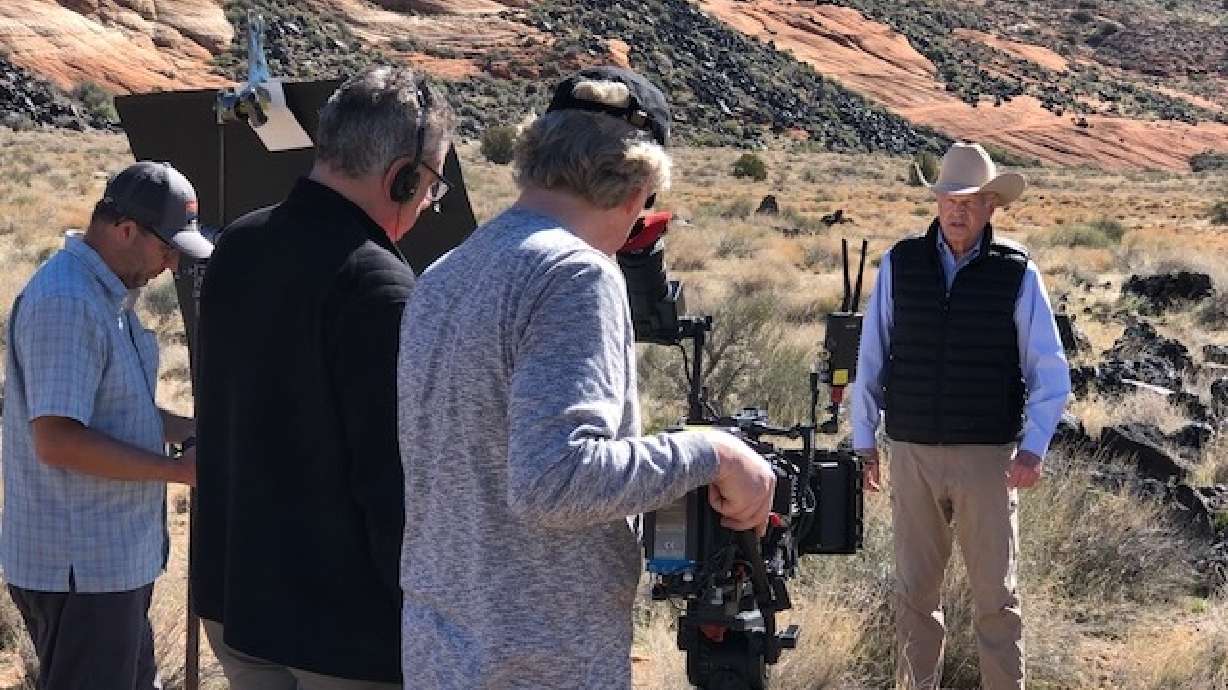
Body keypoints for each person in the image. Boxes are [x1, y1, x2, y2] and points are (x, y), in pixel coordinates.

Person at [396, 66, 778, 689]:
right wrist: (715, 453)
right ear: (639, 189)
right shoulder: (575, 274)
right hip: (539, 661)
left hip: (445, 652)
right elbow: (556, 482)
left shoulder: (445, 273)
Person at [190, 65, 454, 689]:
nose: (427, 202)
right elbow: (392, 479)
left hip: (236, 600)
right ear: (404, 177)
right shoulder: (377, 283)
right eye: (431, 187)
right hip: (341, 633)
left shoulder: (240, 243)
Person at [849, 142, 1071, 690]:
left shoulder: (1016, 271)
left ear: (992, 205)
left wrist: (1033, 447)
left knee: (996, 599)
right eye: (949, 197)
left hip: (987, 461)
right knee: (913, 598)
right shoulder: (901, 264)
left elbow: (1050, 367)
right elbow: (870, 357)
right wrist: (863, 442)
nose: (957, 209)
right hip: (913, 455)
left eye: (970, 200)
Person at [1, 161, 208, 690]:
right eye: (167, 249)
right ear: (125, 231)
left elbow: (118, 410)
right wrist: (177, 472)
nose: (171, 264)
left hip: (106, 565)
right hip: (81, 570)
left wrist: (188, 428)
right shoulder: (68, 302)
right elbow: (58, 439)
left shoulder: (104, 296)